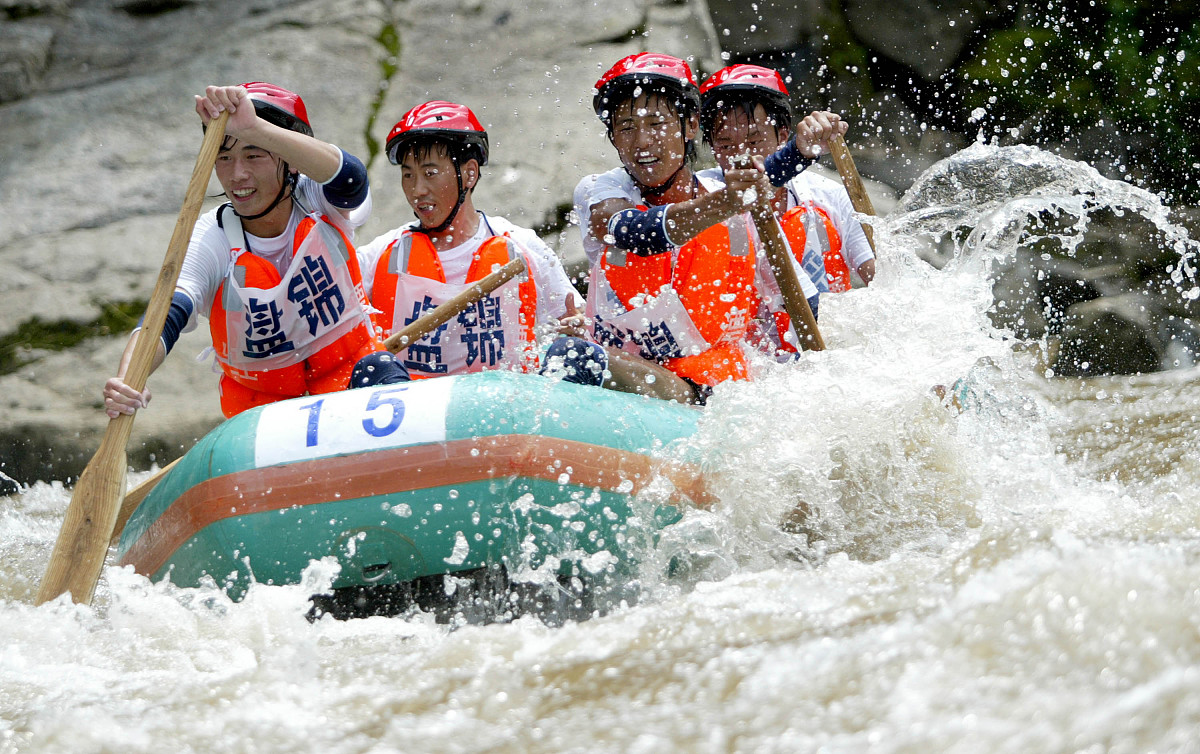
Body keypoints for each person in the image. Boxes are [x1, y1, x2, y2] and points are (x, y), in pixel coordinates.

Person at [103, 82, 408, 420]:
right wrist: (129, 378)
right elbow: (164, 318)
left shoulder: (318, 198)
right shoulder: (211, 239)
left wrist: (255, 128)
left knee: (382, 368)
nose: (237, 176)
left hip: (349, 380)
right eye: (224, 157)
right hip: (265, 412)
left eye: (254, 155)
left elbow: (351, 180)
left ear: (290, 161)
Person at [573, 52, 835, 404]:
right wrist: (729, 201)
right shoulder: (602, 190)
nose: (642, 143)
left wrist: (812, 381)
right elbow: (635, 233)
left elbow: (803, 306)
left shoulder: (743, 212)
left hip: (709, 393)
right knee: (568, 354)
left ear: (691, 126)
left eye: (656, 123)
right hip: (624, 380)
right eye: (626, 128)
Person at [357, 100, 605, 386]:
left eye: (430, 173)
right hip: (414, 416)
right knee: (373, 366)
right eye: (408, 175)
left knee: (576, 353)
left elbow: (581, 328)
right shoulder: (382, 254)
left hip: (504, 408)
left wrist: (574, 330)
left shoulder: (521, 248)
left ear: (469, 173)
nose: (417, 190)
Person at [699, 64, 873, 342]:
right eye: (726, 145)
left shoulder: (829, 195)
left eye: (754, 140)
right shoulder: (703, 199)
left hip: (831, 351)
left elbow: (885, 281)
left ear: (782, 135)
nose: (743, 158)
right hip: (749, 373)